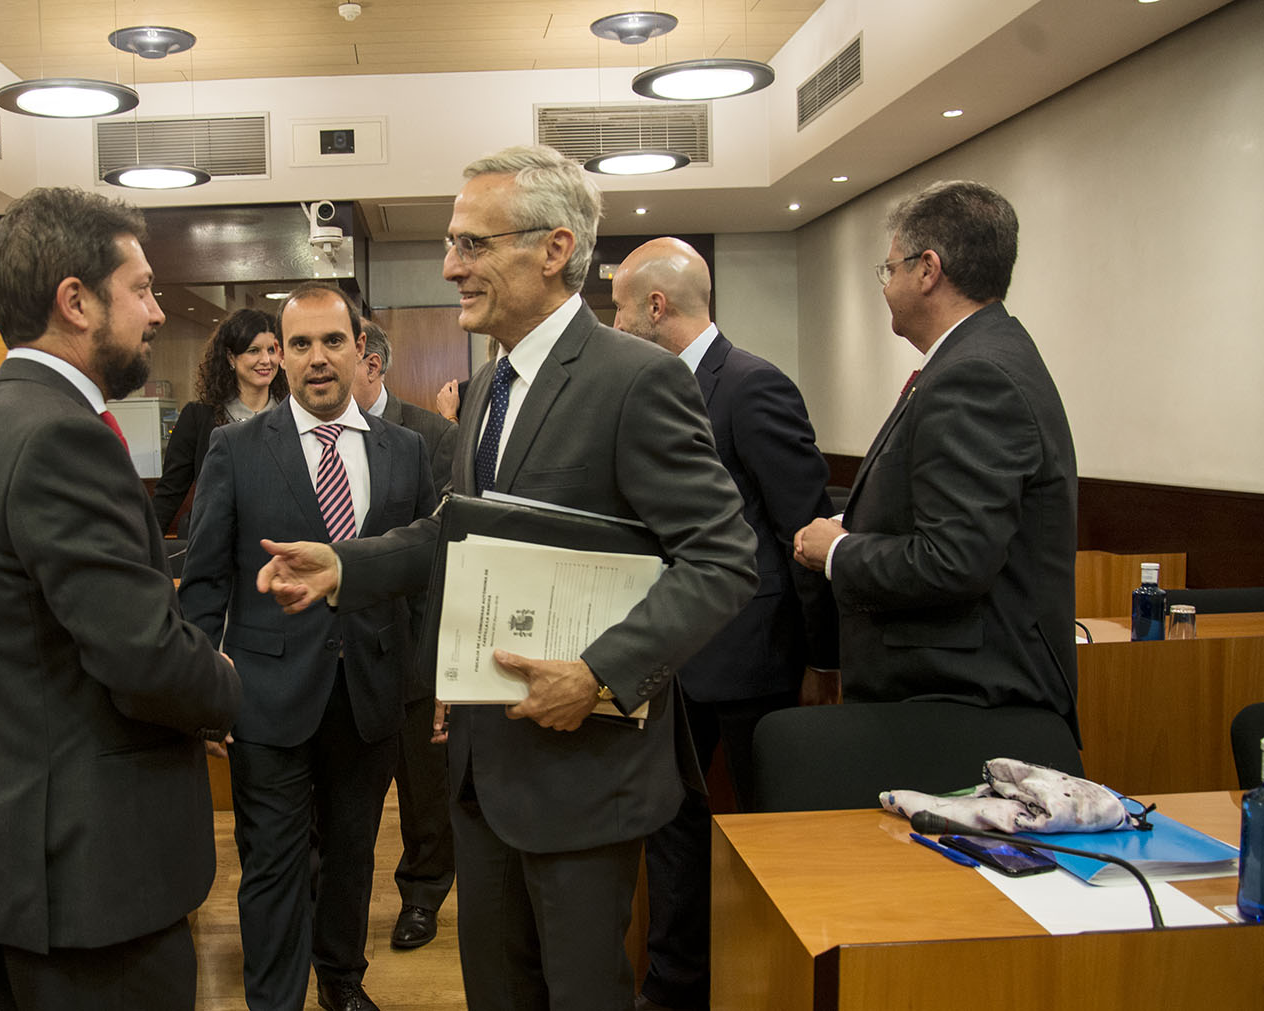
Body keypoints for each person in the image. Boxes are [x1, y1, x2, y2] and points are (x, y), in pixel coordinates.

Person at [257, 146, 758, 1011]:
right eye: (453, 245)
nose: (451, 265)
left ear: (555, 249)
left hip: (586, 776)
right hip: (484, 771)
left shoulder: (636, 380)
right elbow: (457, 532)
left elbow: (722, 558)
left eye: (473, 245)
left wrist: (599, 671)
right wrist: (347, 563)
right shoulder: (488, 383)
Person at [0, 187, 240, 1011]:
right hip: (90, 875)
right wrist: (232, 681)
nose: (158, 312)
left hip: (18, 863)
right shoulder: (61, 436)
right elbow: (141, 656)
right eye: (141, 288)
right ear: (75, 300)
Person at [178, 283, 436, 1011]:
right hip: (266, 697)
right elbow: (202, 581)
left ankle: (342, 981)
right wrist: (206, 690)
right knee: (274, 862)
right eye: (299, 344)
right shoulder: (233, 448)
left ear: (363, 349)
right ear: (279, 356)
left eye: (332, 341)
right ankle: (275, 999)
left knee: (355, 853)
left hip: (371, 697)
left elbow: (420, 577)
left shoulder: (407, 451)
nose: (317, 358)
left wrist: (434, 683)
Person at [611, 237, 839, 1011]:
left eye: (617, 308)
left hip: (752, 663)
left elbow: (801, 531)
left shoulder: (752, 385)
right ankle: (676, 987)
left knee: (767, 836)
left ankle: (774, 986)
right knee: (671, 831)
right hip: (674, 657)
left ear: (655, 305)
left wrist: (822, 660)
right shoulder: (647, 388)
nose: (611, 324)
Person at [794, 180, 1078, 730]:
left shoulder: (975, 375)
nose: (885, 286)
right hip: (953, 693)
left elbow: (952, 560)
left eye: (890, 269)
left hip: (964, 703)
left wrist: (839, 551)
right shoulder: (978, 357)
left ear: (928, 269)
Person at [352, 317, 456, 951]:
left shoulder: (435, 435)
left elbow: (444, 551)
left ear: (375, 366)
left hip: (415, 643)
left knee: (425, 793)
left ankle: (421, 896)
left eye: (345, 353)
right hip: (347, 649)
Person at [151, 308, 286, 536]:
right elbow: (170, 493)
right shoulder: (198, 417)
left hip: (280, 545)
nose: (266, 360)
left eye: (272, 350)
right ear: (231, 357)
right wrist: (142, 550)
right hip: (214, 545)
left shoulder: (293, 415)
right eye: (253, 350)